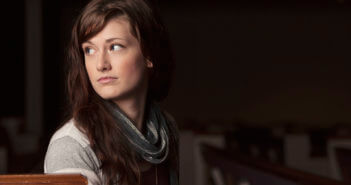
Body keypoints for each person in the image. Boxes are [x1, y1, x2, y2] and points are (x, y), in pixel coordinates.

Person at [44, 0, 178, 185]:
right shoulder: (71, 145)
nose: (100, 64)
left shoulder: (166, 131)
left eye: (114, 47)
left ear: (149, 54)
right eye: (89, 50)